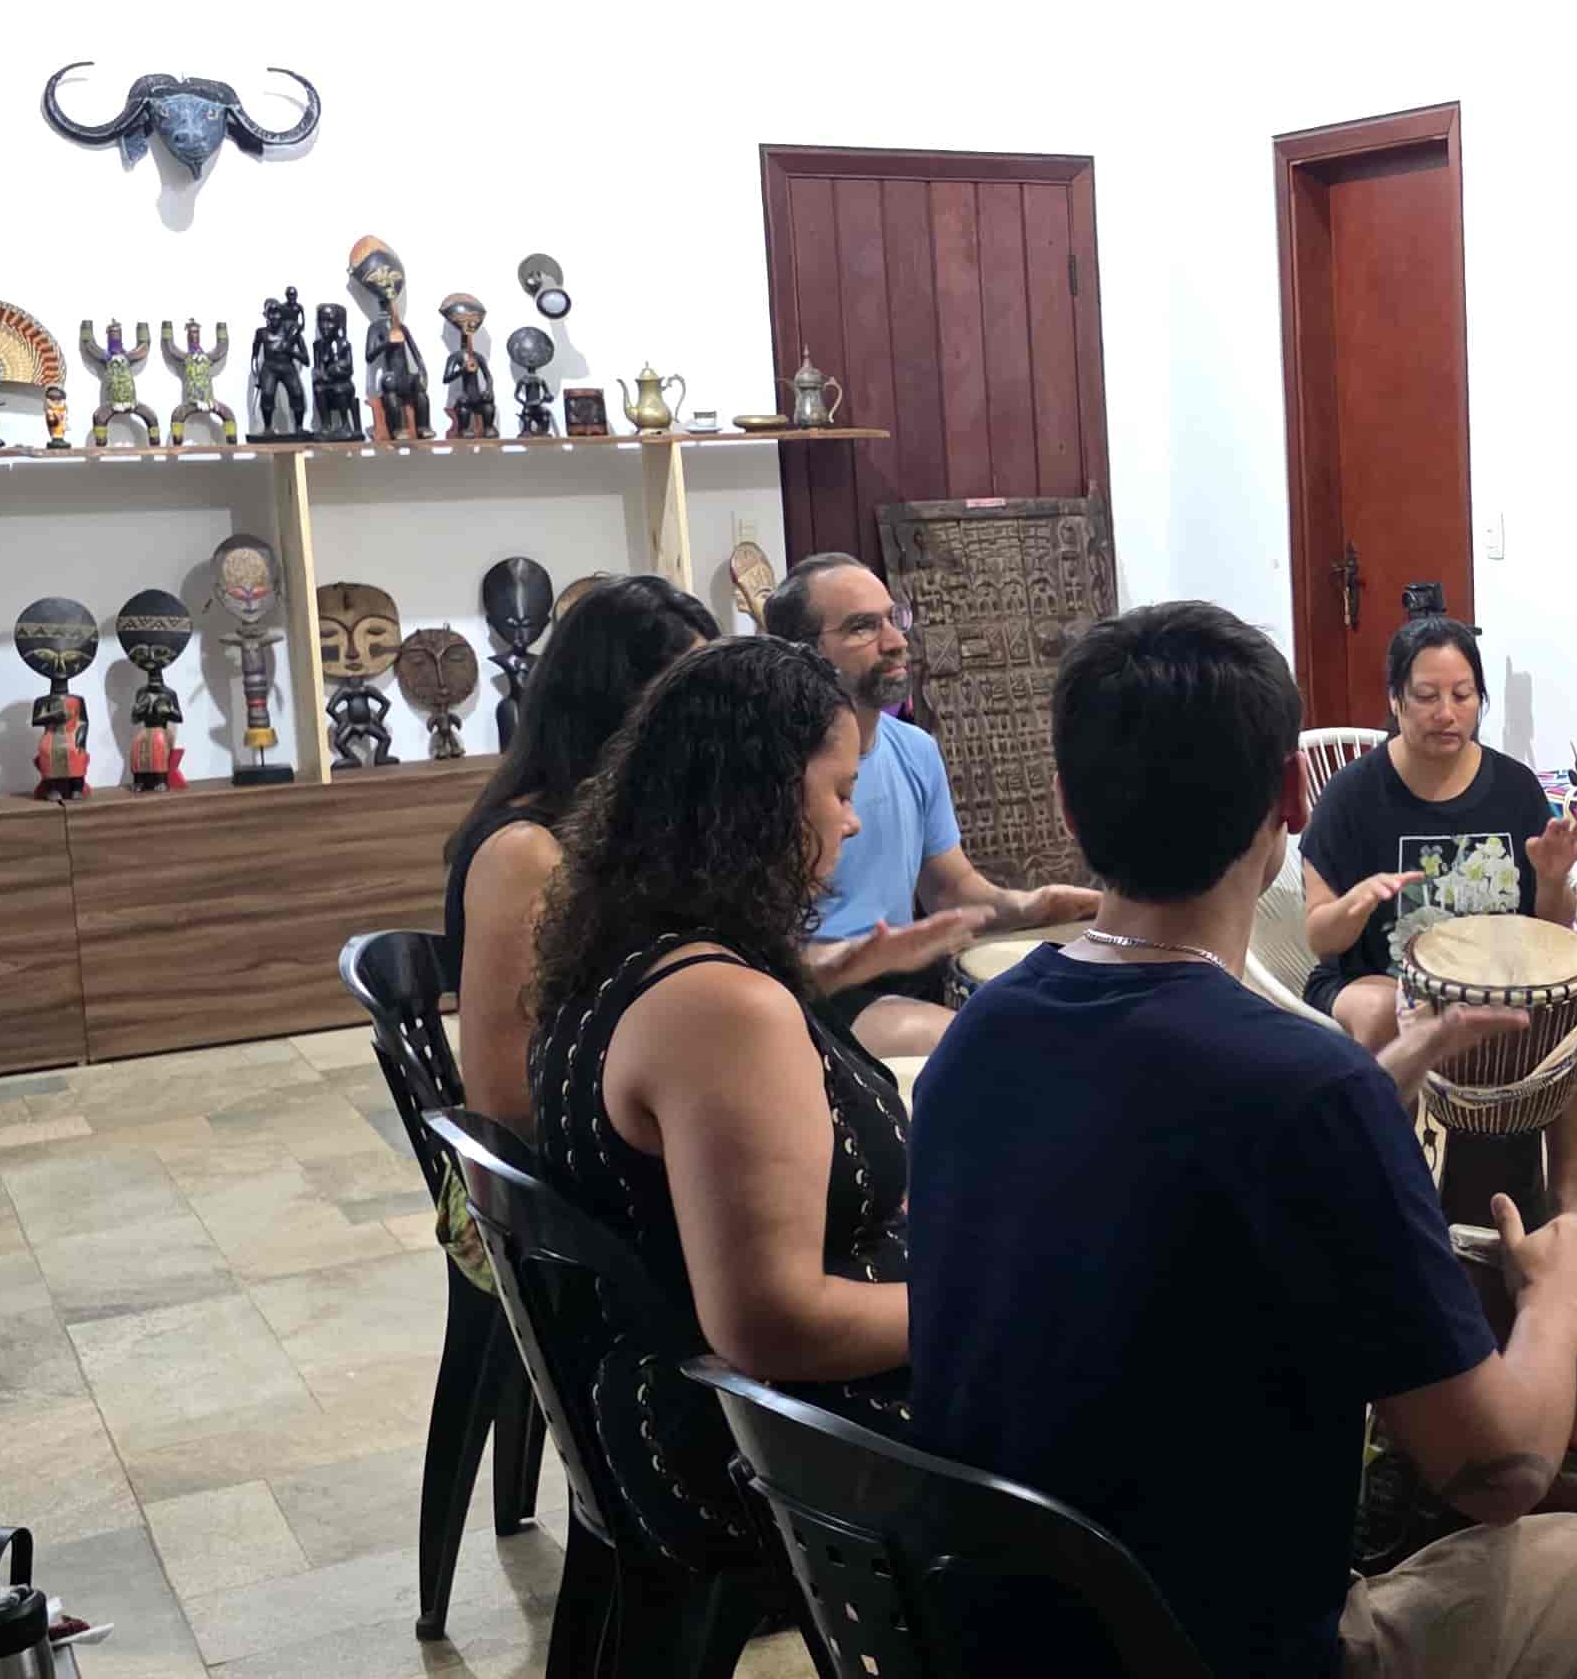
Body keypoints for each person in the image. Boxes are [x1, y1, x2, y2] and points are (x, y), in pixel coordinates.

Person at [911, 601, 1577, 1679]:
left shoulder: (973, 1042)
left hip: (1003, 1639)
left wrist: (1360, 1084)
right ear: (1285, 804)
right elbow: (1494, 1466)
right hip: (1237, 1653)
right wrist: (1557, 1297)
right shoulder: (1302, 1096)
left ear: (1068, 805)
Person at [523, 635, 913, 1565]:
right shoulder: (722, 1008)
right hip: (746, 1448)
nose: (850, 825)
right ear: (762, 800)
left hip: (694, 1406)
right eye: (841, 792)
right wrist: (985, 1302)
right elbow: (770, 1323)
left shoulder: (627, 945)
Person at [1300, 615, 1577, 1201]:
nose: (1446, 712)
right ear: (1395, 700)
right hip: (1369, 977)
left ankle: (1566, 1203)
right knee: (1393, 1010)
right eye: (1427, 696)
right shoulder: (1353, 797)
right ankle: (1391, 1195)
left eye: (1462, 696)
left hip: (1496, 984)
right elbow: (1320, 940)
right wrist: (1357, 904)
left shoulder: (1513, 788)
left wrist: (1553, 879)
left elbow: (1549, 935)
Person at [765, 552, 1100, 1056]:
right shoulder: (772, 772)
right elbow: (753, 952)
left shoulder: (915, 750)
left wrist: (1032, 905)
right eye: (862, 627)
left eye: (893, 619)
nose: (897, 641)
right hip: (810, 996)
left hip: (903, 978)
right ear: (803, 652)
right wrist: (866, 957)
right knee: (991, 1049)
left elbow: (948, 889)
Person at [444, 574, 715, 1134]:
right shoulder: (524, 854)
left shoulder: (639, 826)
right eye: (688, 700)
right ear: (612, 705)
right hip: (569, 1188)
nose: (710, 723)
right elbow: (505, 1100)